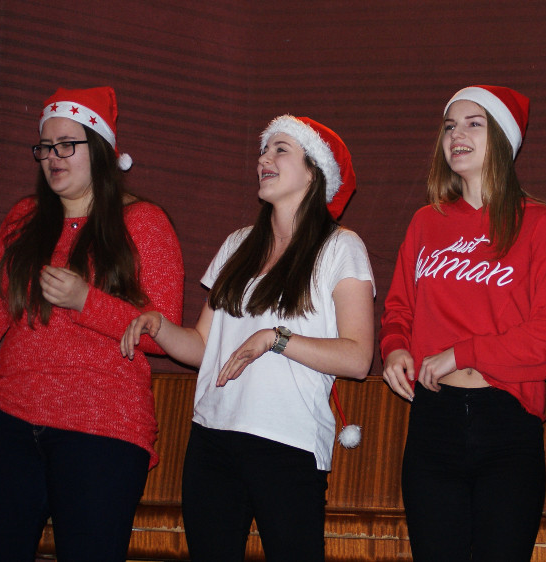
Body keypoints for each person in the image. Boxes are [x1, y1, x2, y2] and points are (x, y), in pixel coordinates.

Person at [0, 87, 184, 561]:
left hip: (102, 428)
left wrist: (86, 301)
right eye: (45, 147)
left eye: (67, 145)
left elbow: (163, 334)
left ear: (99, 149)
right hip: (10, 422)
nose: (53, 157)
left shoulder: (143, 222)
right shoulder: (24, 219)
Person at [121, 115, 374, 561]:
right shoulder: (238, 243)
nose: (263, 159)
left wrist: (275, 338)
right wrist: (159, 326)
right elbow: (204, 347)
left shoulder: (341, 247)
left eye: (280, 149)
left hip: (288, 443)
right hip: (212, 438)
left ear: (314, 172)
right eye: (263, 150)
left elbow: (357, 358)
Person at [380, 85, 546, 560]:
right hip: (433, 421)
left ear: (504, 140)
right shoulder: (425, 223)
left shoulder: (540, 224)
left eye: (474, 124)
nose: (456, 135)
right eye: (450, 126)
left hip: (506, 422)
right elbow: (399, 309)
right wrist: (394, 347)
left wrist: (461, 353)